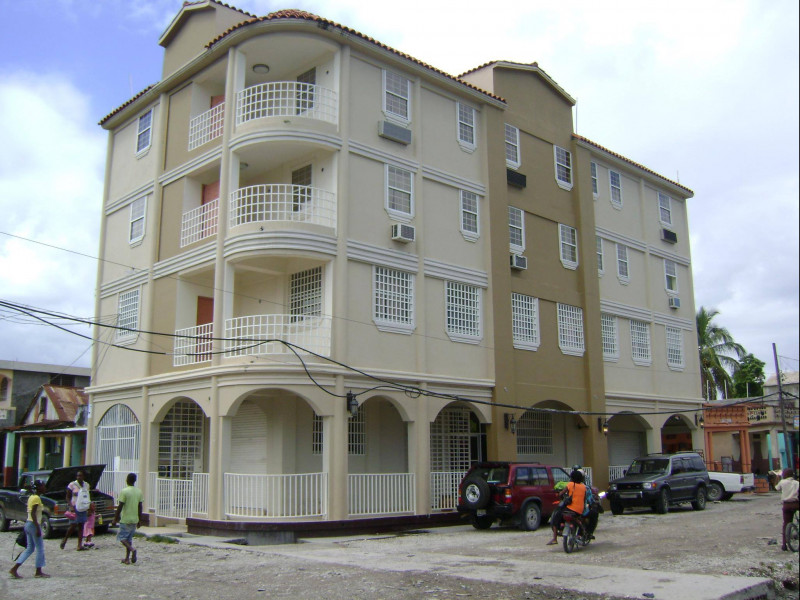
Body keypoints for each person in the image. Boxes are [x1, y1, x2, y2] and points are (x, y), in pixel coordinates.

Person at [9, 480, 51, 579]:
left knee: (30, 549)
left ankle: (14, 568)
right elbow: (33, 514)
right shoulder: (36, 498)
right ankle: (38, 571)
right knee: (39, 548)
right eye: (43, 486)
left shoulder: (31, 497)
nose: (45, 488)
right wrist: (37, 528)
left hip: (28, 524)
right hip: (33, 524)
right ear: (39, 488)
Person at [112, 472, 144, 565]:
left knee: (121, 538)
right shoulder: (139, 491)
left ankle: (132, 550)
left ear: (127, 480)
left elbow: (120, 506)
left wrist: (115, 518)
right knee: (129, 540)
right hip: (134, 519)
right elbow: (140, 506)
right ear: (135, 481)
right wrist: (139, 520)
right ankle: (127, 558)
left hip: (125, 519)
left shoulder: (124, 491)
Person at [61, 469, 91, 551]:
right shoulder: (72, 485)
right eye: (78, 475)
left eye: (80, 475)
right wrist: (70, 506)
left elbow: (87, 496)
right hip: (74, 507)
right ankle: (65, 540)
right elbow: (68, 497)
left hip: (82, 507)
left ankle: (79, 545)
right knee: (73, 525)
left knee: (81, 526)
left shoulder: (86, 485)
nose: (79, 477)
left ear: (84, 476)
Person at [775, 468, 799, 552]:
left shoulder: (782, 482)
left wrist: (777, 479)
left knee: (786, 523)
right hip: (796, 504)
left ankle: (784, 545)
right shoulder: (797, 483)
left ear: (785, 475)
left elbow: (776, 488)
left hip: (787, 505)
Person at [547, 481, 569, 545]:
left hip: (567, 509)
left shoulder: (570, 485)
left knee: (555, 519)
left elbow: (561, 493)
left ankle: (555, 539)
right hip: (577, 509)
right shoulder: (582, 487)